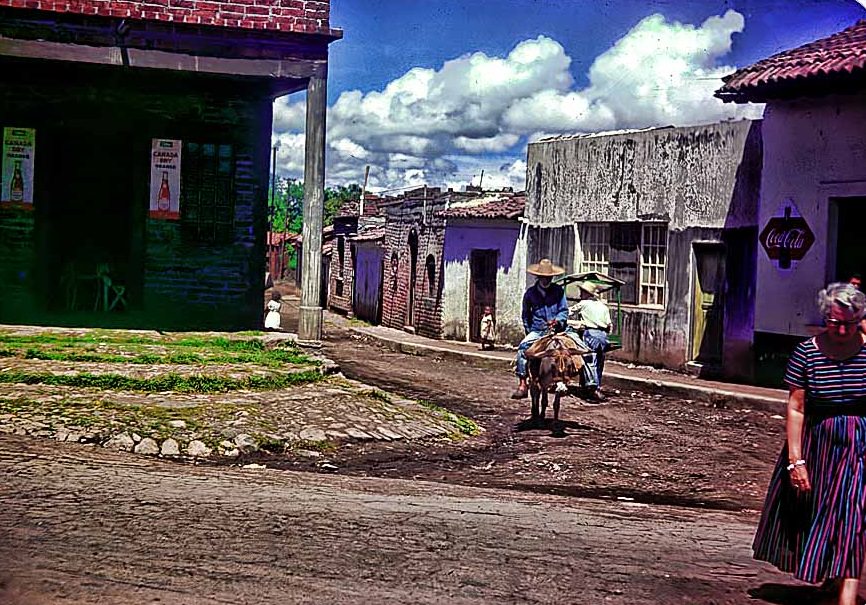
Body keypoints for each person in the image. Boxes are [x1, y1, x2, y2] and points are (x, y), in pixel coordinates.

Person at [753, 282, 866, 605]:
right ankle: (835, 577)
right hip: (820, 445)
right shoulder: (808, 352)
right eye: (834, 321)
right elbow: (796, 408)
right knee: (825, 513)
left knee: (854, 513)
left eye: (849, 322)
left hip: (860, 443)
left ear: (860, 318)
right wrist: (796, 460)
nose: (841, 329)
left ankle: (847, 594)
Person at [511, 258, 569, 399]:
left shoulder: (558, 291)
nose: (546, 280)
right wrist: (529, 330)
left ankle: (567, 381)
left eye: (548, 278)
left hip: (557, 330)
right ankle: (523, 383)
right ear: (538, 277)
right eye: (543, 277)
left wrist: (558, 320)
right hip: (537, 331)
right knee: (523, 349)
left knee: (576, 350)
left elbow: (564, 310)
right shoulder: (530, 293)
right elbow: (526, 314)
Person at [571, 282, 612, 401]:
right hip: (603, 335)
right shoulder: (603, 306)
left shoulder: (584, 304)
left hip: (591, 333)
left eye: (581, 292)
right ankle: (597, 387)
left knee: (590, 361)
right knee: (599, 362)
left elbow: (568, 312)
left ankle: (593, 389)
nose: (580, 294)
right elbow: (609, 325)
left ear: (586, 293)